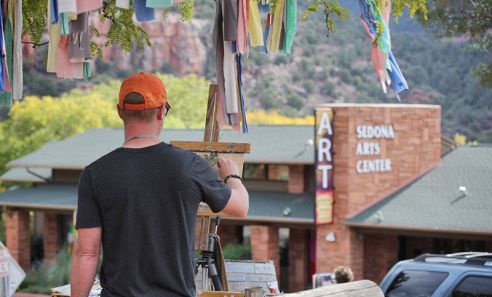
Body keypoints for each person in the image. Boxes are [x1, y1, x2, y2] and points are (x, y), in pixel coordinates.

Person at [70, 72, 249, 297]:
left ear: (119, 112)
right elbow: (240, 207)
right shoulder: (190, 165)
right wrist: (232, 176)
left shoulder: (94, 174)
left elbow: (86, 253)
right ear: (160, 112)